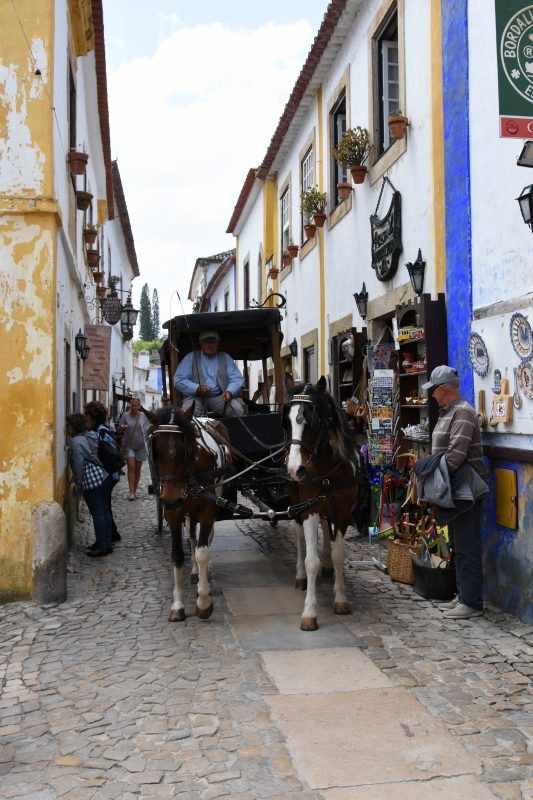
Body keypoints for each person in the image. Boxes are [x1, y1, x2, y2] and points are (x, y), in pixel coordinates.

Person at [421, 365, 489, 620]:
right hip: (453, 489)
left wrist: (431, 479)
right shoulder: (448, 412)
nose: (432, 395)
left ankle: (471, 601)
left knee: (468, 545)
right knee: (459, 544)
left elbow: (455, 456)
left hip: (464, 490)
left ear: (443, 389)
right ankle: (463, 595)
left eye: (433, 391)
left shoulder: (462, 413)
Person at [66, 411, 114, 558]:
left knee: (98, 514)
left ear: (74, 426)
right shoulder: (91, 435)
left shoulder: (76, 442)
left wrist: (78, 483)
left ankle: (101, 547)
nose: (66, 429)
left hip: (94, 480)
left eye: (68, 426)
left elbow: (79, 464)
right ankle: (106, 543)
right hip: (105, 475)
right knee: (105, 512)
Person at [173, 330, 245, 417]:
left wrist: (229, 391)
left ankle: (234, 431)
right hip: (195, 397)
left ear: (218, 344)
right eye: (207, 342)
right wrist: (197, 388)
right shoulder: (191, 357)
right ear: (201, 343)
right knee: (187, 413)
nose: (210, 345)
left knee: (236, 408)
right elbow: (178, 380)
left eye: (213, 342)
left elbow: (237, 378)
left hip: (220, 397)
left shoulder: (225, 357)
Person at [84, 400, 122, 544]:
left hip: (106, 474)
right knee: (105, 507)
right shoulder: (103, 429)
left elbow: (101, 455)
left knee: (103, 508)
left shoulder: (99, 432)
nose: (85, 418)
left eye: (86, 415)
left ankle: (107, 538)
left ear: (92, 416)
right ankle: (111, 534)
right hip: (111, 473)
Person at [117, 398, 152, 500]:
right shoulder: (125, 415)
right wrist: (122, 427)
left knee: (137, 469)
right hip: (129, 445)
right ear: (130, 406)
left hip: (141, 445)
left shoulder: (143, 416)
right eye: (132, 406)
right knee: (131, 467)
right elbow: (119, 429)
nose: (134, 408)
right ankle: (131, 492)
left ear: (139, 406)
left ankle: (135, 491)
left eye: (136, 406)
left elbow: (147, 428)